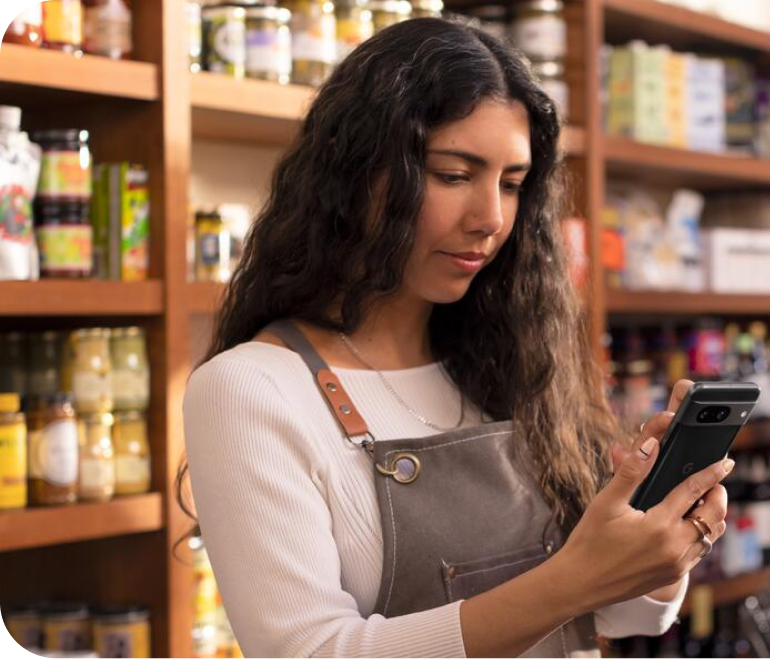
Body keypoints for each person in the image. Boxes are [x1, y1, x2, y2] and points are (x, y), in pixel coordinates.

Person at [180, 19, 734, 658]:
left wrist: (661, 539)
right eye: (452, 175)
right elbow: (308, 652)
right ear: (355, 172)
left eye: (511, 184)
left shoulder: (508, 363)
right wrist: (570, 580)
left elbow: (620, 618)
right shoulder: (250, 389)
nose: (491, 219)